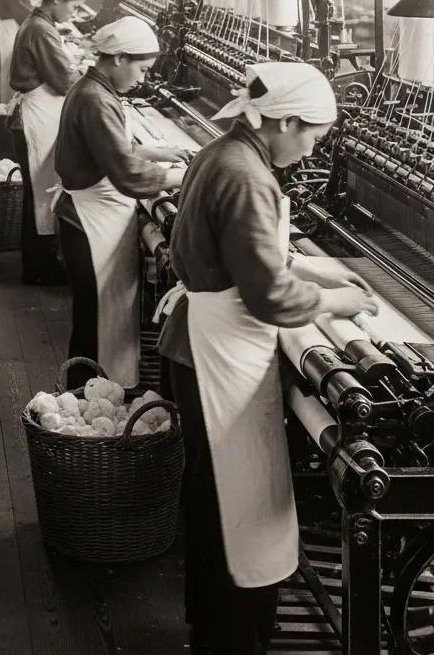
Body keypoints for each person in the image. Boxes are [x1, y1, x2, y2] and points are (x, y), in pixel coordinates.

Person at [159, 63, 378, 655]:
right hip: (219, 355)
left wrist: (306, 265)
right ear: (283, 121)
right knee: (233, 499)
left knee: (213, 496)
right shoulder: (247, 176)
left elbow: (246, 252)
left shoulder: (226, 152)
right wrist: (339, 298)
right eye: (312, 136)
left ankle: (221, 625)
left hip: (203, 344)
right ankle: (232, 638)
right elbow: (269, 295)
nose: (311, 151)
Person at [53, 16, 189, 389]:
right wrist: (188, 177)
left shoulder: (94, 90)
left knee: (98, 317)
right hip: (90, 222)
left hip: (90, 217)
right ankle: (88, 397)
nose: (144, 79)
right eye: (142, 69)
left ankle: (94, 393)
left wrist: (160, 152)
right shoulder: (96, 99)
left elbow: (112, 146)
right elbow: (128, 176)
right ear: (118, 59)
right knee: (97, 319)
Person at [8, 0, 88, 285]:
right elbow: (64, 79)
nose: (75, 11)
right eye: (73, 5)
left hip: (38, 111)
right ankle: (39, 269)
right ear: (55, 0)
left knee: (38, 192)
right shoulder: (41, 29)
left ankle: (38, 264)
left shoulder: (41, 24)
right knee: (41, 192)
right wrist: (91, 76)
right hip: (36, 115)